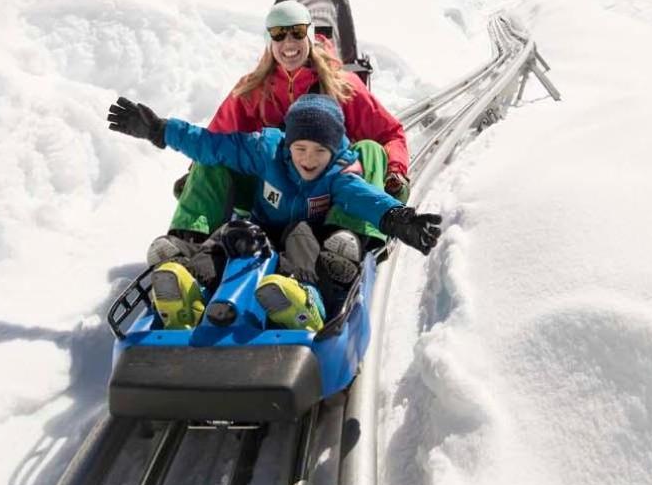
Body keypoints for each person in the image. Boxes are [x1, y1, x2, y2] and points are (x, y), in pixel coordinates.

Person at [108, 92, 442, 332]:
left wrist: (402, 219)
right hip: (262, 228)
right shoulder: (265, 150)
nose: (308, 160)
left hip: (308, 239)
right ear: (287, 145)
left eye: (319, 152)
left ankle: (305, 302)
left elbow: (366, 197)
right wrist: (160, 130)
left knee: (300, 238)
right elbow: (211, 145)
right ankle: (189, 290)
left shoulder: (339, 172)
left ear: (334, 149)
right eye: (300, 149)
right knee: (226, 239)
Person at [162, 0, 410, 256]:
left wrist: (395, 171)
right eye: (279, 34)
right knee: (213, 156)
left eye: (297, 32)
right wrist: (197, 179)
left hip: (328, 198)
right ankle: (188, 239)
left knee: (370, 149)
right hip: (271, 197)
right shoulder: (252, 90)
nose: (288, 42)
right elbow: (216, 138)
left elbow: (389, 134)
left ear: (310, 36)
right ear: (270, 41)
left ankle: (349, 239)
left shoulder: (343, 86)